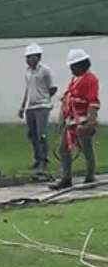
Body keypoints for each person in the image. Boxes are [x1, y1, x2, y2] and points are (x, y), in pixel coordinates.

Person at [52, 49, 99, 190]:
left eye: (73, 65)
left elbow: (93, 103)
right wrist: (61, 119)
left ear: (80, 65)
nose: (71, 68)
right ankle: (65, 178)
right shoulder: (74, 80)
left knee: (86, 150)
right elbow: (67, 99)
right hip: (70, 122)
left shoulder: (91, 80)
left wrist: (90, 123)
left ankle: (90, 176)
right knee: (64, 150)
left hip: (82, 121)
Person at [18, 43, 56, 173]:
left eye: (30, 57)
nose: (28, 60)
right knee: (32, 134)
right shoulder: (27, 72)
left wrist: (45, 99)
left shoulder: (45, 70)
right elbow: (27, 90)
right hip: (31, 106)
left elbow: (53, 88)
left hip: (42, 106)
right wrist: (22, 106)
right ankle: (37, 158)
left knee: (41, 134)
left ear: (38, 57)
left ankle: (43, 161)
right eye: (27, 57)